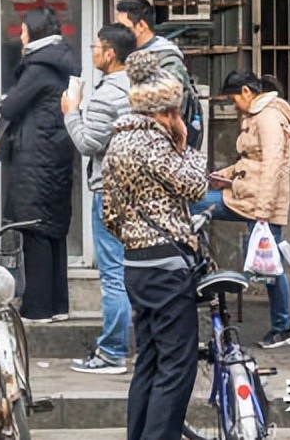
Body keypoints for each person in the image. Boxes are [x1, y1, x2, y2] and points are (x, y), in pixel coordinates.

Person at [101, 49, 208, 440]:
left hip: (136, 265)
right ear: (164, 112)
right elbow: (195, 185)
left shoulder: (117, 144)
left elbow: (108, 213)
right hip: (168, 267)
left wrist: (135, 239)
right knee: (177, 365)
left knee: (148, 359)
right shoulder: (154, 143)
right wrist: (189, 148)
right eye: (175, 113)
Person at [191, 70, 290, 349]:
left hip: (261, 203)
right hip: (243, 197)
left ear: (247, 93)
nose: (233, 105)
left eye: (233, 99)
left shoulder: (268, 117)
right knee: (195, 204)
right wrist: (224, 175)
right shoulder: (258, 115)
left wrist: (264, 210)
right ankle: (203, 273)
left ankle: (283, 327)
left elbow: (273, 166)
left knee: (271, 266)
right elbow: (251, 163)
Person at [0, 6, 80, 323]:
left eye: (23, 29)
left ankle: (38, 307)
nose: (20, 35)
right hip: (57, 155)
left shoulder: (38, 68)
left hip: (35, 158)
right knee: (54, 230)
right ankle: (58, 305)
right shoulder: (64, 64)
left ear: (33, 33)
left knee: (35, 231)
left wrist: (5, 101)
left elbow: (11, 107)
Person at [63, 23, 136, 373]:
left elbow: (88, 143)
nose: (91, 52)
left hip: (109, 191)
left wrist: (71, 111)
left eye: (95, 47)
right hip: (137, 191)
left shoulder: (108, 94)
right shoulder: (138, 87)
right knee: (131, 270)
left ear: (110, 54)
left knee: (113, 274)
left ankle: (113, 351)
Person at [114, 0, 203, 151]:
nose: (119, 33)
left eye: (124, 27)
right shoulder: (128, 56)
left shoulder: (167, 60)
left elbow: (171, 110)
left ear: (141, 25)